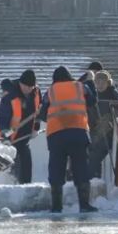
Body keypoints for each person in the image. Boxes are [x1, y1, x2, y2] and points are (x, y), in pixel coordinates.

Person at [40, 66, 97, 213]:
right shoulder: (80, 87)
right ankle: (84, 205)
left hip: (56, 136)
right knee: (81, 168)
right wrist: (91, 82)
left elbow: (42, 114)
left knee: (56, 170)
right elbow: (92, 101)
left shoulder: (50, 91)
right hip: (78, 133)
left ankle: (56, 207)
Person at [0, 69, 41, 184]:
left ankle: (26, 190)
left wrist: (36, 128)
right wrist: (5, 134)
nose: (28, 90)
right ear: (20, 83)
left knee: (26, 168)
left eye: (31, 87)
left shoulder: (36, 93)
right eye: (26, 87)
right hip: (10, 139)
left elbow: (37, 112)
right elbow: (1, 119)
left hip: (24, 138)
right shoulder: (10, 96)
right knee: (14, 172)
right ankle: (13, 190)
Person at [88, 71, 118, 177]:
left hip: (107, 132)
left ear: (107, 83)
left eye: (102, 82)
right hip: (93, 130)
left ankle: (92, 178)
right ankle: (93, 177)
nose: (99, 85)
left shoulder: (113, 93)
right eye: (97, 82)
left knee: (95, 155)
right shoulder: (93, 94)